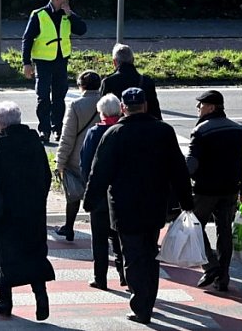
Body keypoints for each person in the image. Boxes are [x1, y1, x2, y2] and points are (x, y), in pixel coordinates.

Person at [83, 87, 193, 324]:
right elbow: (178, 169)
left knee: (132, 256)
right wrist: (186, 201)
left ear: (123, 107)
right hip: (155, 205)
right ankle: (147, 302)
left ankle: (140, 306)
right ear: (145, 105)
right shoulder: (163, 131)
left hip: (124, 207)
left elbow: (99, 172)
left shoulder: (114, 134)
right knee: (150, 253)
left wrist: (90, 201)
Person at [0, 101, 55, 321]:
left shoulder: (0, 145)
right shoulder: (34, 142)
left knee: (3, 254)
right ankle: (41, 298)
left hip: (5, 212)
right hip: (32, 210)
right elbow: (46, 175)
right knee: (34, 252)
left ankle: (5, 301)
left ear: (1, 124)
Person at [187, 90, 242, 292]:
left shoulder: (201, 131)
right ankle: (223, 277)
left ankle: (210, 265)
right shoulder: (237, 129)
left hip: (205, 190)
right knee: (224, 231)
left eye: (201, 105)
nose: (198, 108)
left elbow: (191, 164)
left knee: (194, 227)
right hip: (230, 189)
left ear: (212, 107)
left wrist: (178, 178)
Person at [21, 0, 87, 143]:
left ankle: (57, 128)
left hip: (60, 61)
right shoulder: (39, 15)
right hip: (43, 62)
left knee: (59, 96)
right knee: (43, 97)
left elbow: (82, 29)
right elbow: (27, 38)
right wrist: (26, 62)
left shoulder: (67, 15)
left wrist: (70, 14)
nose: (67, 1)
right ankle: (44, 130)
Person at [79, 93, 125, 289]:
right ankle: (124, 275)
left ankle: (100, 278)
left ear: (101, 112)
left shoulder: (94, 132)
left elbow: (85, 164)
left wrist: (88, 188)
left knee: (99, 238)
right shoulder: (123, 130)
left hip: (99, 194)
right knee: (120, 237)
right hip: (120, 194)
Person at [53, 70, 101, 240]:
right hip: (99, 157)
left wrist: (60, 162)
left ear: (82, 86)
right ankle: (100, 231)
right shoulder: (107, 102)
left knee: (72, 195)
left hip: (77, 158)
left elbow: (68, 136)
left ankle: (69, 227)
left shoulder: (76, 105)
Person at [100, 43, 162, 120]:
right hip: (145, 127)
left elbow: (103, 111)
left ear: (114, 62)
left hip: (119, 128)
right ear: (133, 60)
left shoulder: (108, 82)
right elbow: (155, 112)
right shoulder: (147, 82)